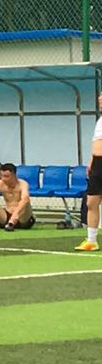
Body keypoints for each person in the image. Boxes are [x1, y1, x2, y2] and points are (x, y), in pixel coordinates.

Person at [80, 95, 102, 251]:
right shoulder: (100, 121)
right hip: (97, 165)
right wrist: (92, 161)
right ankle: (92, 240)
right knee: (91, 202)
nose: (100, 99)